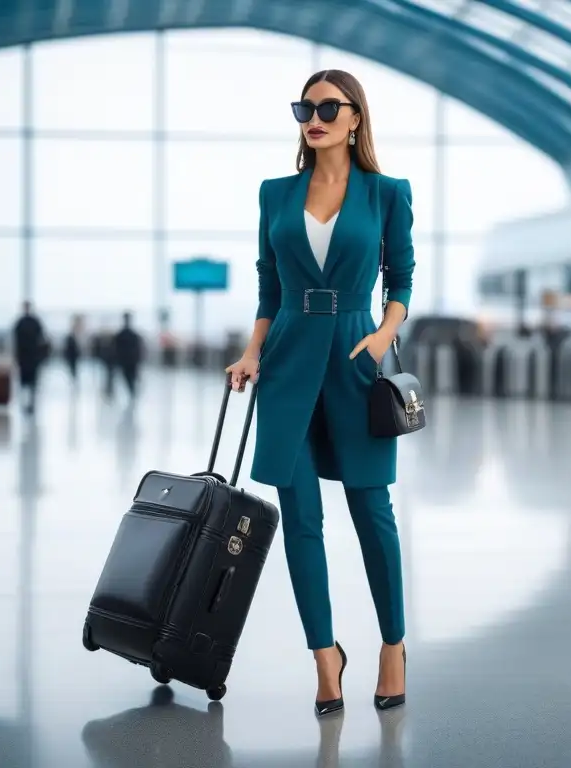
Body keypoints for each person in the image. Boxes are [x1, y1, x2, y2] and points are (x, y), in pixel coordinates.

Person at [225, 69, 415, 717]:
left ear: (356, 117)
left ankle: (393, 646)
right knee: (301, 518)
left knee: (372, 509)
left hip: (357, 359)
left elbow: (401, 279)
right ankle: (324, 658)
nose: (315, 118)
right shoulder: (274, 194)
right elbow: (269, 288)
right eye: (305, 108)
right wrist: (251, 352)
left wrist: (384, 333)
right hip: (287, 362)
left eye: (329, 108)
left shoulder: (387, 193)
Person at [13, 301, 47, 415]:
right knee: (24, 381)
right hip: (25, 356)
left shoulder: (30, 322)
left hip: (32, 356)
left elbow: (41, 339)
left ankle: (31, 401)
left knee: (32, 381)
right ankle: (26, 401)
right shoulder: (22, 322)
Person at [113, 312, 144, 399]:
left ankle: (132, 391)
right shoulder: (132, 335)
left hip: (127, 361)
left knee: (129, 377)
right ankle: (132, 391)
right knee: (130, 377)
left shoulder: (122, 335)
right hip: (130, 361)